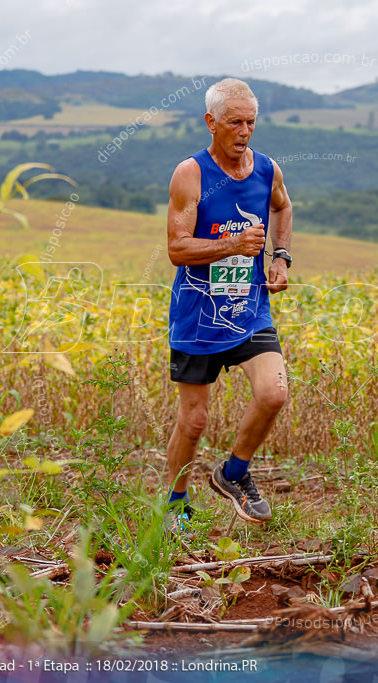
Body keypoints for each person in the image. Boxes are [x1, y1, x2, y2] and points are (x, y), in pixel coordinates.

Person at [163, 78, 294, 537]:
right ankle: (174, 504)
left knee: (274, 392)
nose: (244, 131)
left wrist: (280, 257)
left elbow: (282, 208)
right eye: (234, 122)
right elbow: (177, 249)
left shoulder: (267, 170)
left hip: (249, 308)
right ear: (211, 122)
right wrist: (232, 244)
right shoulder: (191, 173)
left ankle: (234, 473)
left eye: (251, 122)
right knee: (194, 421)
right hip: (198, 313)